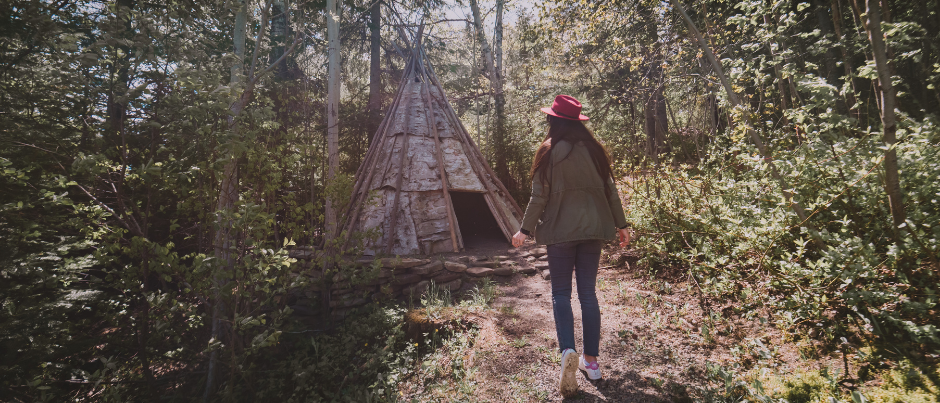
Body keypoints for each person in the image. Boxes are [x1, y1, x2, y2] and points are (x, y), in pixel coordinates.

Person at [512, 94, 631, 398]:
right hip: (593, 231)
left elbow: (538, 197)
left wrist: (524, 230)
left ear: (554, 120)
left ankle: (568, 351)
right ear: (578, 123)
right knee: (588, 293)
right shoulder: (595, 151)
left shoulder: (548, 152)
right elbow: (610, 191)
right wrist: (622, 225)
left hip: (560, 234)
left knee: (561, 293)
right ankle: (591, 362)